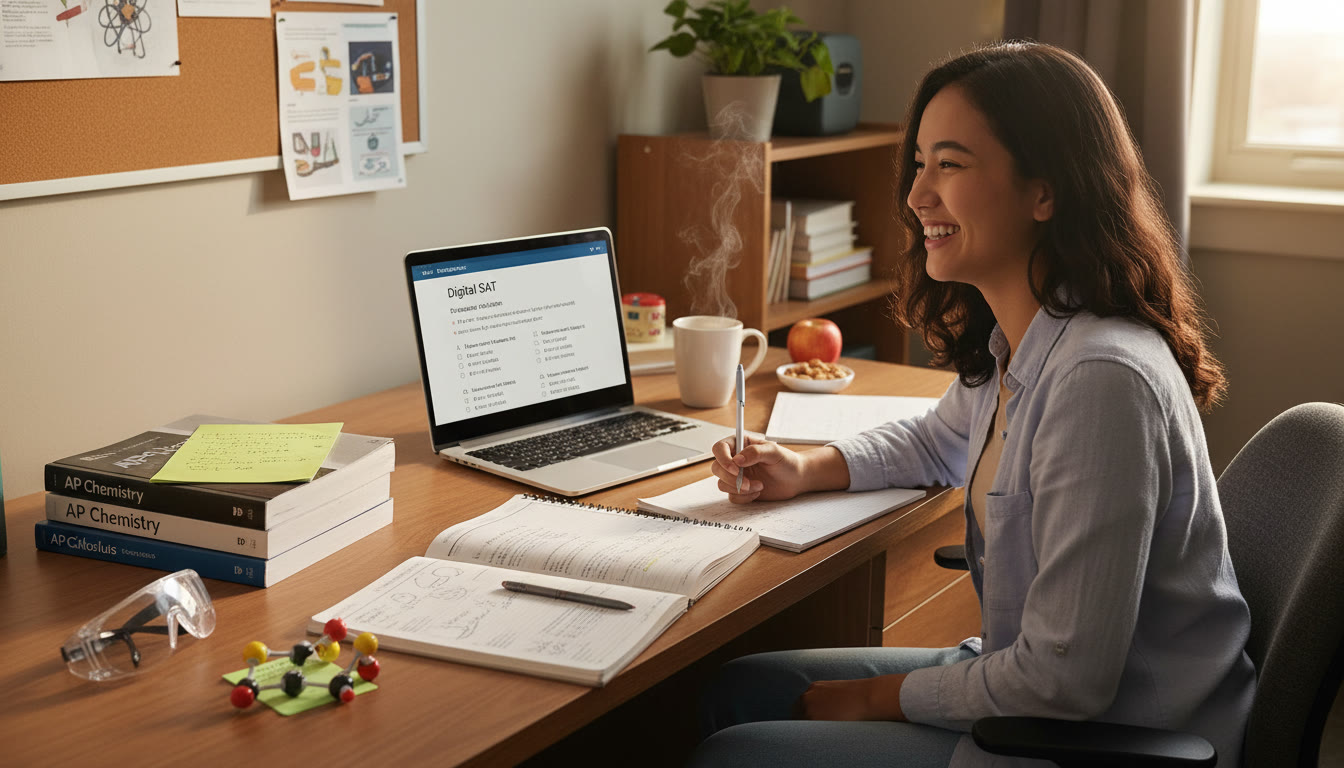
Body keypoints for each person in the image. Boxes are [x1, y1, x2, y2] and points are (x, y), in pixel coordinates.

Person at [689, 41, 1256, 768]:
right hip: (1039, 693)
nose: (917, 194)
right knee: (739, 689)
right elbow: (936, 443)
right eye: (920, 163)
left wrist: (872, 700)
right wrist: (805, 467)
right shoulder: (1026, 339)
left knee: (737, 752)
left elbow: (1064, 679)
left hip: (1103, 736)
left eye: (950, 165)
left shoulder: (1100, 382)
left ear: (1045, 191)